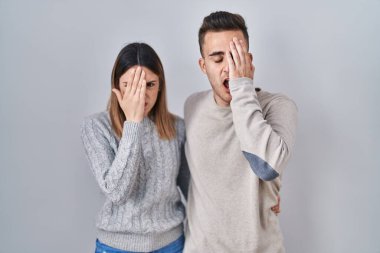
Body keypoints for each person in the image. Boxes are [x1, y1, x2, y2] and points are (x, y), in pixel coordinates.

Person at [183, 11, 298, 252]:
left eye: (235, 56)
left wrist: (242, 87)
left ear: (248, 59)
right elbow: (190, 176)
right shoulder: (192, 106)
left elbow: (267, 166)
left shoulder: (277, 106)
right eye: (218, 59)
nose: (228, 68)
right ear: (203, 66)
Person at [81, 42, 189, 253]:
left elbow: (193, 191)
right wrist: (133, 124)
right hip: (117, 247)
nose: (141, 95)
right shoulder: (96, 127)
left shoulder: (178, 127)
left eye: (149, 84)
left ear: (161, 85)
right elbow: (118, 193)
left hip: (171, 244)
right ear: (116, 86)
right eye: (129, 85)